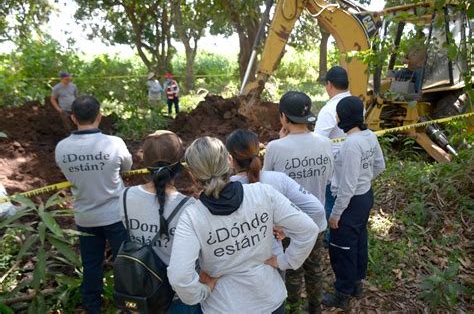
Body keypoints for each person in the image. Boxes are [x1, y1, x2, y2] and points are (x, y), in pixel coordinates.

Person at [168, 136, 318, 314]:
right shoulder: (262, 193)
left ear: (193, 176)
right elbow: (308, 229)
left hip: (224, 305)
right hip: (270, 298)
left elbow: (179, 277)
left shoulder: (192, 217)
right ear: (229, 161)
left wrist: (201, 292)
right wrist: (286, 261)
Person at [55, 95, 132, 314]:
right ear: (99, 116)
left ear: (72, 118)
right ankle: (127, 307)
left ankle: (92, 307)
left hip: (85, 217)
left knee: (91, 265)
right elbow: (126, 167)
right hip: (115, 215)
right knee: (123, 263)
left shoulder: (61, 148)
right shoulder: (114, 143)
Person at [263, 91, 333, 314]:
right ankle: (315, 309)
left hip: (287, 224)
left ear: (283, 117)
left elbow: (265, 183)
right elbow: (329, 178)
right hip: (316, 219)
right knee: (314, 269)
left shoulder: (275, 147)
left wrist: (282, 143)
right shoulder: (325, 143)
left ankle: (292, 309)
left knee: (291, 270)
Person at [119, 130, 202, 314]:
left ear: (145, 163)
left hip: (141, 290)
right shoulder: (189, 206)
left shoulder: (125, 196)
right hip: (177, 296)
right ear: (180, 164)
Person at [322, 96, 385, 310]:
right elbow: (380, 165)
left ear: (345, 117)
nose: (337, 118)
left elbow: (347, 186)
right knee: (358, 240)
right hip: (365, 197)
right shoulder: (369, 136)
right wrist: (364, 180)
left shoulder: (351, 144)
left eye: (338, 114)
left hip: (350, 202)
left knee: (341, 247)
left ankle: (343, 293)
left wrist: (336, 214)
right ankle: (356, 283)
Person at [314, 66, 351, 247]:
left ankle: (329, 239)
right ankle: (344, 231)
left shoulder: (329, 109)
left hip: (334, 164)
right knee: (347, 196)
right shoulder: (355, 103)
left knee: (330, 200)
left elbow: (318, 141)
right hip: (353, 159)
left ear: (329, 84)